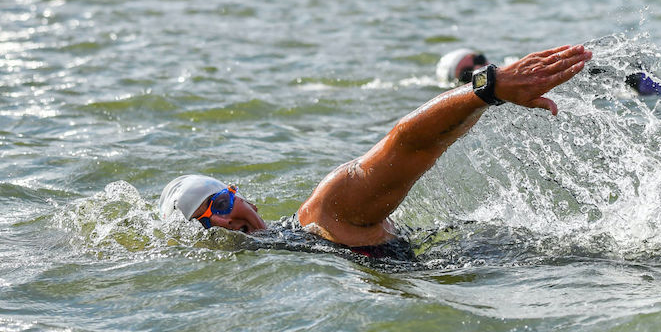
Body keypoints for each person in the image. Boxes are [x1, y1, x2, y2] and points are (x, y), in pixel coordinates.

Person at [159, 44, 593, 256]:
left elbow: (406, 145)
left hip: (525, 261)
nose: (221, 218)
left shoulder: (325, 213)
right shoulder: (291, 249)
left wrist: (488, 88)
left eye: (219, 201)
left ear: (239, 194)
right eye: (204, 220)